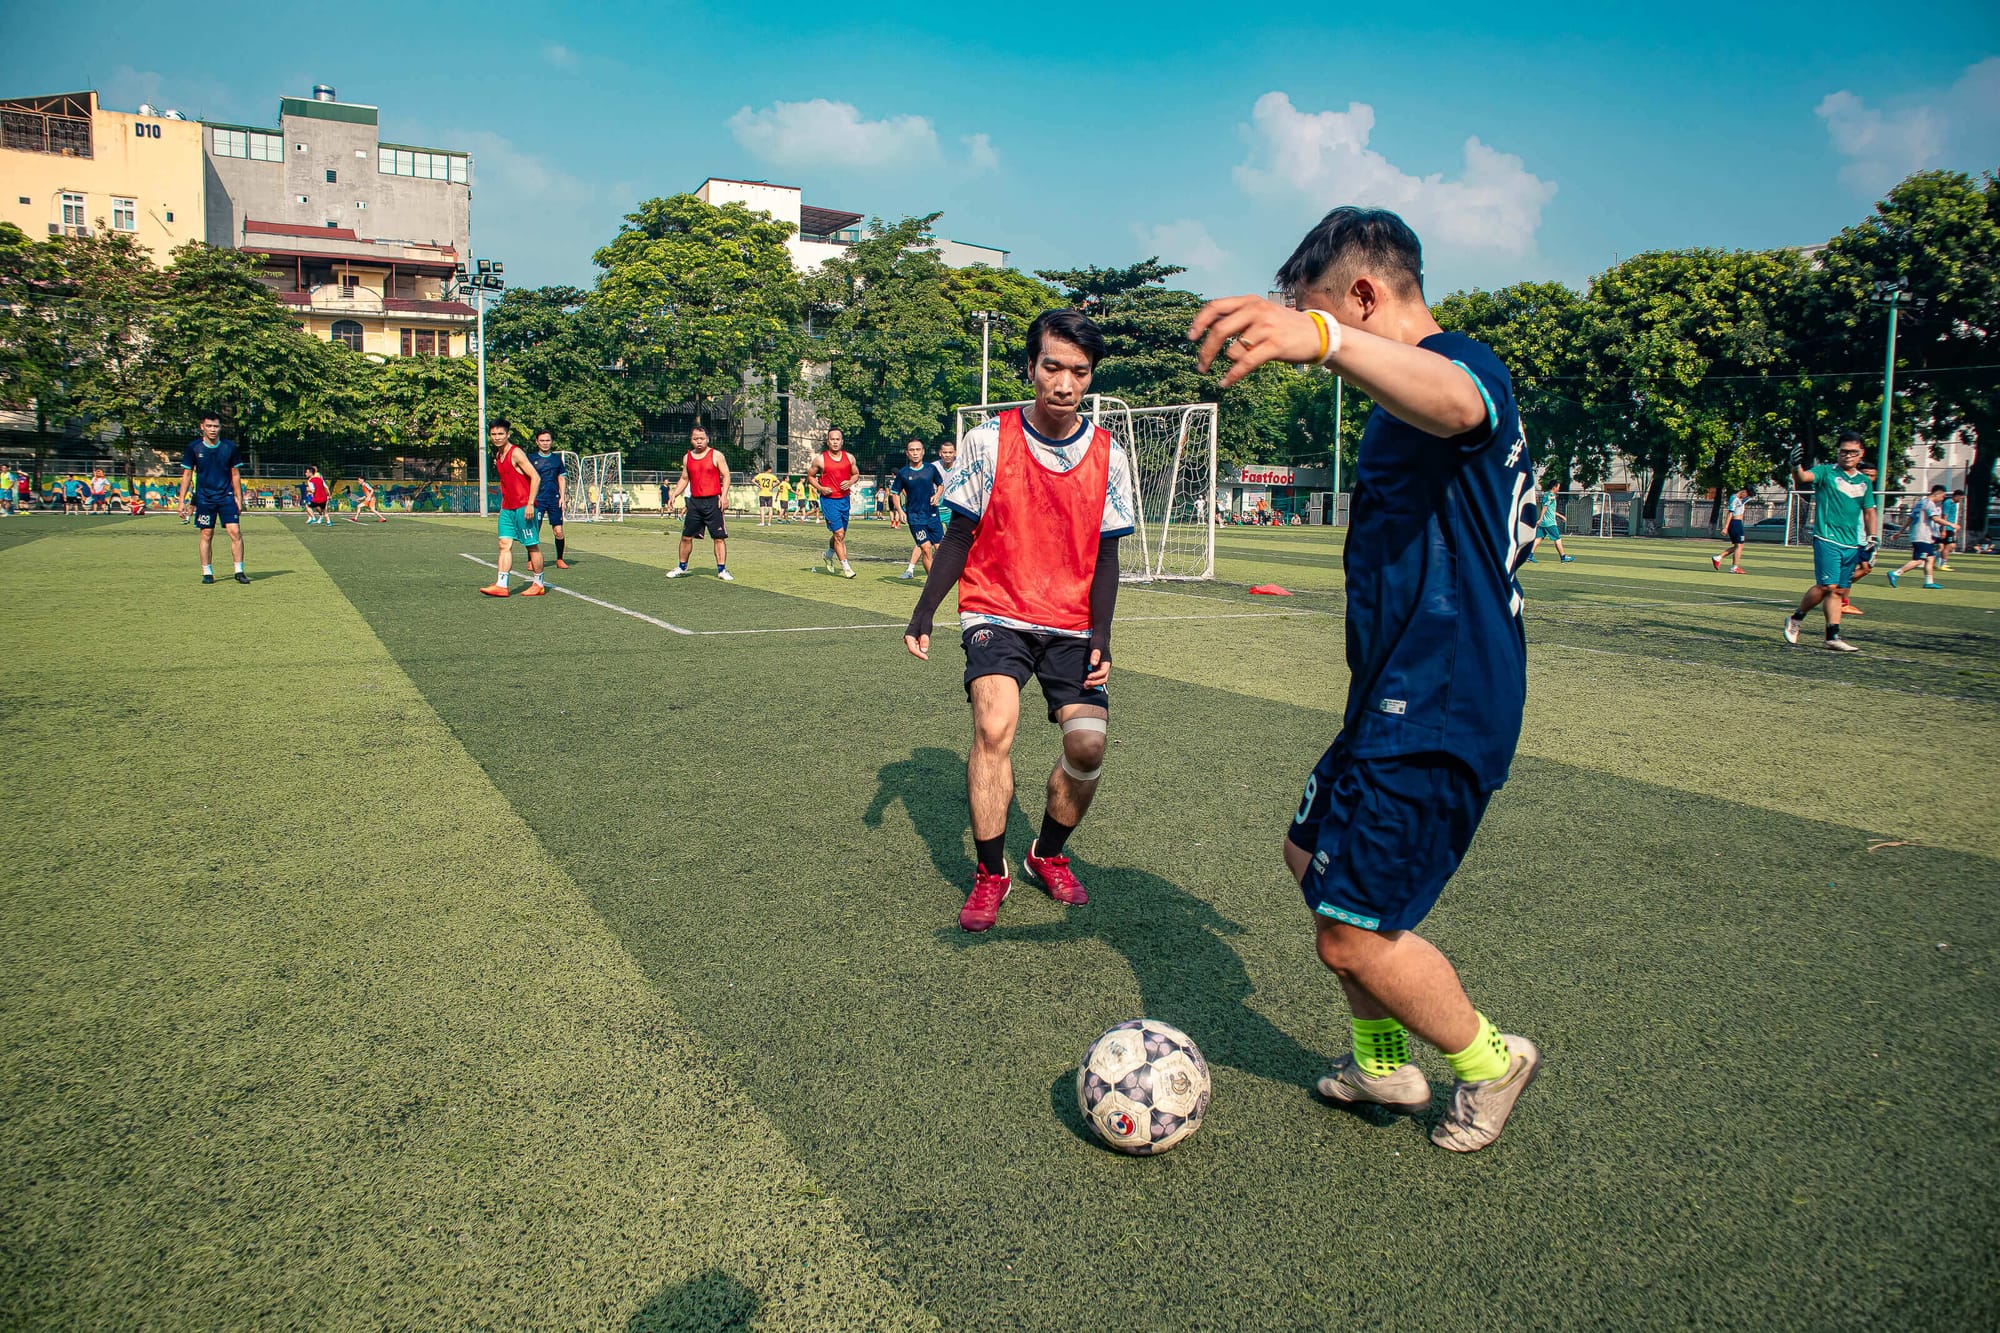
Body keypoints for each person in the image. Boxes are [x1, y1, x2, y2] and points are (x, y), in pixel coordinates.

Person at [1188, 206, 1542, 1153]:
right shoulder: (1400, 402)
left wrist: (1319, 339)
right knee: (1311, 861)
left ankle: (1489, 1061)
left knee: (1349, 934)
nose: (1319, 351)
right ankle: (1382, 1062)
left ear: (1362, 295)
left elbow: (1460, 401)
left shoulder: (1463, 366)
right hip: (1392, 692)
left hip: (1441, 699)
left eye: (1326, 319)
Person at [905, 308, 1137, 932]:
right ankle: (990, 874)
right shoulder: (988, 440)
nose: (1064, 384)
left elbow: (1108, 555)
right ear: (1031, 367)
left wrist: (1102, 637)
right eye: (1052, 367)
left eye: (1079, 372)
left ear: (1091, 378)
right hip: (996, 609)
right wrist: (924, 612)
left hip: (1071, 622)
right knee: (994, 725)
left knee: (1087, 746)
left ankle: (1045, 855)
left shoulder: (1111, 455)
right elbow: (958, 537)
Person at [1784, 431, 1879, 652]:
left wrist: (1873, 537)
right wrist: (1795, 466)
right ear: (1838, 452)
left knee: (1838, 591)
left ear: (1860, 453)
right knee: (1828, 585)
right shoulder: (1826, 472)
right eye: (1843, 451)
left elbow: (1869, 512)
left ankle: (1831, 636)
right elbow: (1803, 478)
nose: (1848, 456)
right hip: (1827, 538)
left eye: (1852, 452)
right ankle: (1796, 618)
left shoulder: (1864, 482)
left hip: (1852, 543)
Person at [176, 412, 250, 584]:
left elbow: (235, 474)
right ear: (202, 427)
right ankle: (207, 572)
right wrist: (181, 501)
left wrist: (239, 498)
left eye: (216, 426)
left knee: (235, 532)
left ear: (220, 428)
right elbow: (187, 475)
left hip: (226, 496)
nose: (212, 429)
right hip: (204, 498)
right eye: (209, 426)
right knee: (207, 534)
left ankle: (239, 571)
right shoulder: (194, 448)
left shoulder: (229, 447)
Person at [479, 420, 547, 597]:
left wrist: (531, 503)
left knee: (531, 546)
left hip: (524, 506)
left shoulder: (516, 453)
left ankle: (538, 583)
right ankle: (502, 585)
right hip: (507, 508)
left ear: (508, 434)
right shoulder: (498, 455)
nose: (497, 437)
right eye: (494, 434)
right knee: (504, 544)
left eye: (501, 434)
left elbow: (536, 477)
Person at [664, 424, 732, 580]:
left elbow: (726, 475)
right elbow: (684, 478)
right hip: (694, 503)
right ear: (691, 440)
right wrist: (674, 494)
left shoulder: (716, 455)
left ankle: (721, 570)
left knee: (718, 537)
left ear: (707, 439)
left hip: (713, 502)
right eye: (695, 439)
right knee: (686, 537)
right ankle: (682, 567)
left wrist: (724, 496)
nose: (699, 441)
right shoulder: (687, 457)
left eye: (702, 438)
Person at [890, 439, 948, 579]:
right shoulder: (903, 473)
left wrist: (937, 495)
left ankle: (943, 577)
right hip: (915, 518)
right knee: (925, 548)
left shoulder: (930, 469)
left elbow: (940, 485)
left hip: (933, 515)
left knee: (940, 549)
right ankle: (933, 582)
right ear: (907, 453)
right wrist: (900, 510)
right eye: (912, 450)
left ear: (923, 451)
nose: (915, 453)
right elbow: (895, 493)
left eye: (918, 450)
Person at [812, 428, 859, 578]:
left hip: (844, 500)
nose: (835, 442)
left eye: (837, 439)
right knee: (838, 533)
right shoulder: (820, 459)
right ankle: (846, 567)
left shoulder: (850, 458)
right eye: (832, 439)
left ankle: (828, 554)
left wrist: (850, 481)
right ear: (828, 441)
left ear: (842, 441)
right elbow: (811, 476)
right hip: (829, 501)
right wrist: (820, 488)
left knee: (840, 535)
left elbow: (856, 474)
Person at [1887, 484, 1946, 590]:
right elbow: (1935, 519)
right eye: (1942, 496)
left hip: (1918, 535)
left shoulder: (1920, 503)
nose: (1942, 499)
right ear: (1938, 494)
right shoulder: (1929, 504)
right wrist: (1951, 525)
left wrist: (1899, 532)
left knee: (1930, 559)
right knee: (1919, 560)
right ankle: (1895, 573)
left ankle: (1929, 582)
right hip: (1923, 536)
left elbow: (1910, 519)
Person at [529, 428, 571, 569]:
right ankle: (531, 560)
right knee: (535, 531)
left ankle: (559, 559)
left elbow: (561, 478)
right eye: (542, 440)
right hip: (537, 499)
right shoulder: (531, 459)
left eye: (547, 440)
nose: (545, 443)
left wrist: (563, 497)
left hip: (554, 499)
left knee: (558, 531)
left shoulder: (556, 459)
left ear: (551, 442)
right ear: (537, 442)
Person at [1712, 485, 1751, 573]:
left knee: (1739, 546)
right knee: (1739, 546)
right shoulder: (1734, 498)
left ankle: (1718, 558)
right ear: (1743, 491)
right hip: (1735, 523)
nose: (1747, 496)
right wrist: (1725, 527)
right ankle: (1734, 567)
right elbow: (1730, 513)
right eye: (1747, 494)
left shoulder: (1741, 499)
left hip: (1738, 523)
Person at [1526, 491, 1572, 562]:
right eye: (1558, 486)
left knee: (1538, 539)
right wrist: (1540, 519)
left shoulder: (1546, 495)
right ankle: (1563, 557)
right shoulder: (1550, 495)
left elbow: (1550, 510)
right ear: (1555, 487)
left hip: (1544, 522)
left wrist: (1560, 516)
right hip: (1550, 523)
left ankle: (1529, 556)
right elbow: (1545, 507)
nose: (1558, 489)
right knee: (1557, 539)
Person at [1937, 488, 1962, 569]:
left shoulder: (1953, 503)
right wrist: (1943, 529)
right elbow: (1944, 516)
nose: (1961, 499)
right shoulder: (1948, 503)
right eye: (1960, 497)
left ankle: (1937, 562)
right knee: (1950, 545)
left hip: (1950, 528)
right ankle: (1942, 564)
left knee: (1943, 547)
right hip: (1947, 528)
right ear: (1957, 496)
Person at [753, 462, 780, 527]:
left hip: (762, 494)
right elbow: (778, 482)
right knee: (770, 508)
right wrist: (772, 487)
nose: (771, 470)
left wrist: (759, 486)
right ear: (768, 469)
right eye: (770, 469)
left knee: (762, 508)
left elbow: (753, 480)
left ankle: (762, 522)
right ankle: (769, 523)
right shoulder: (772, 476)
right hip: (769, 494)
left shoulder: (760, 475)